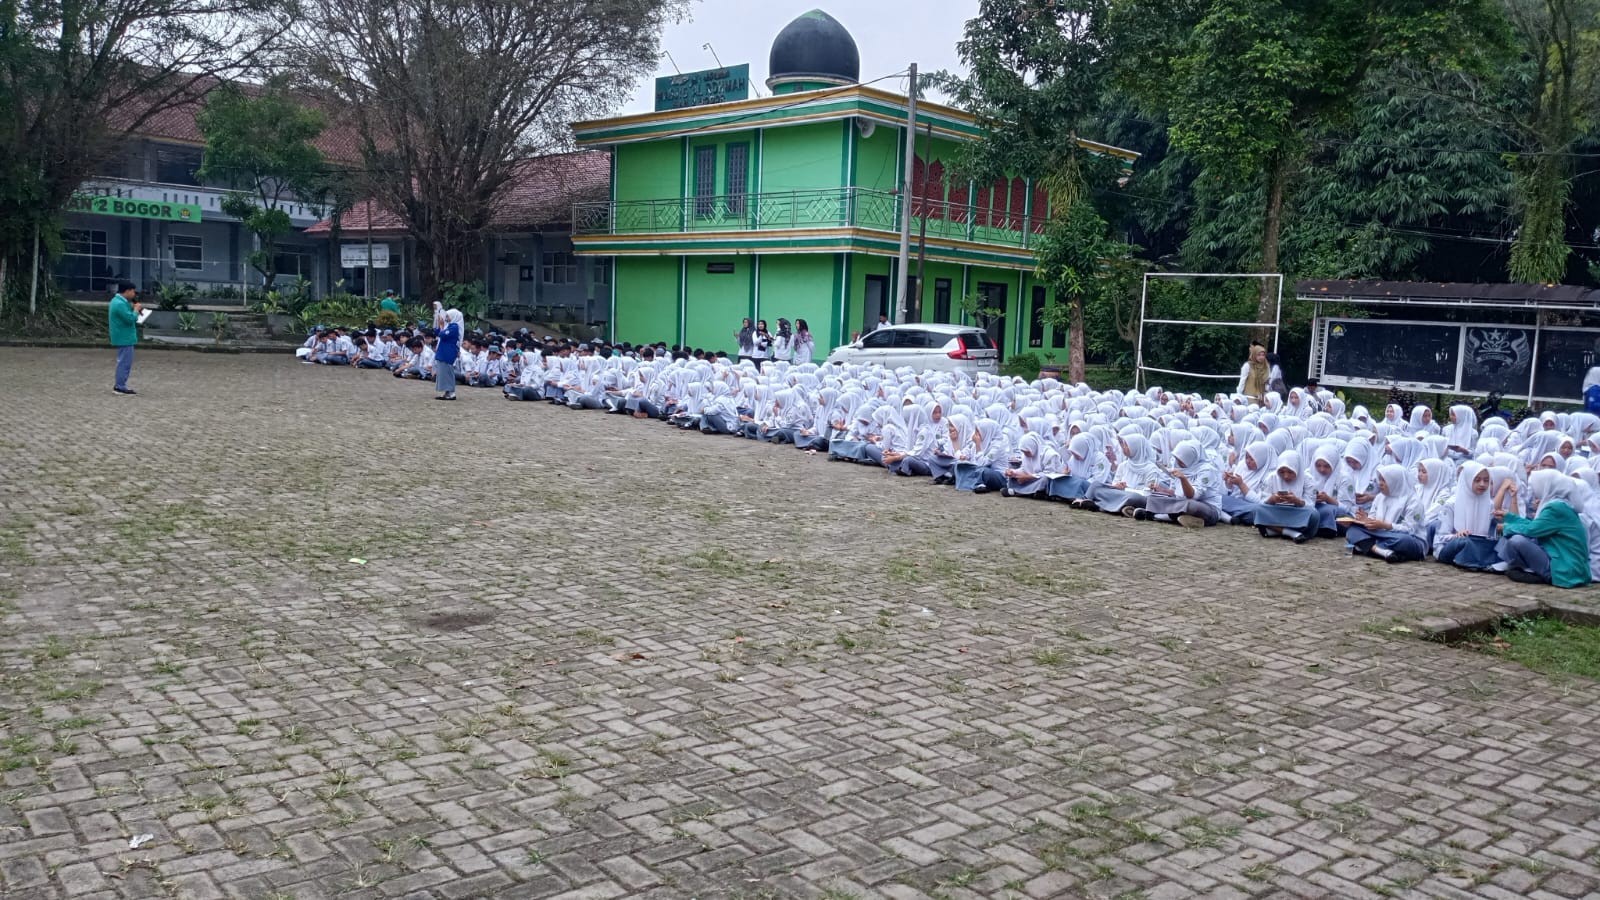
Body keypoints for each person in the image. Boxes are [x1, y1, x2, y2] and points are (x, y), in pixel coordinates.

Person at [1495, 470, 1592, 587]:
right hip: (1572, 568)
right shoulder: (1562, 505)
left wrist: (1507, 527)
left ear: (1546, 485)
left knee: (1516, 540)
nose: (1535, 490)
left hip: (1565, 570)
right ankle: (1529, 570)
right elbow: (1536, 526)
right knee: (1518, 537)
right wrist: (1508, 517)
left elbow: (1531, 530)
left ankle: (1534, 572)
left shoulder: (1556, 508)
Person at [108, 281, 142, 395]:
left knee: (124, 361)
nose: (134, 294)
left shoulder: (119, 301)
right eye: (133, 291)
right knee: (124, 362)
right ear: (127, 291)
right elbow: (130, 318)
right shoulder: (119, 304)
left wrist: (133, 307)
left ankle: (120, 384)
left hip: (124, 336)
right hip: (124, 337)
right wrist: (136, 310)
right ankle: (120, 386)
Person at [433, 306, 462, 401]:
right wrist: (438, 324)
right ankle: (447, 392)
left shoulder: (455, 327)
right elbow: (437, 332)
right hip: (443, 351)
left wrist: (441, 326)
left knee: (448, 372)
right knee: (443, 372)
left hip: (448, 352)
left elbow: (443, 334)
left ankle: (452, 392)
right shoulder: (449, 326)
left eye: (448, 316)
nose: (446, 318)